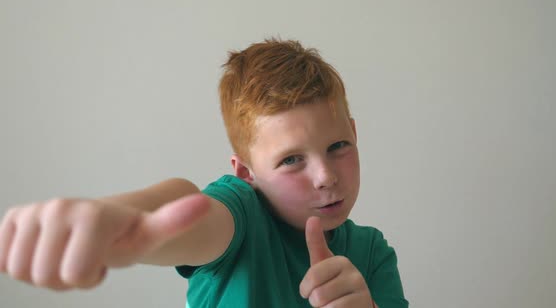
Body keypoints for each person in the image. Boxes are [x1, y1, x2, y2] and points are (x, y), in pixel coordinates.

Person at [0, 39, 409, 307]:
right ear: (246, 172)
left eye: (338, 146)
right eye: (291, 160)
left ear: (354, 133)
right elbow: (189, 207)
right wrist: (119, 220)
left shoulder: (372, 254)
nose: (324, 176)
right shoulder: (242, 213)